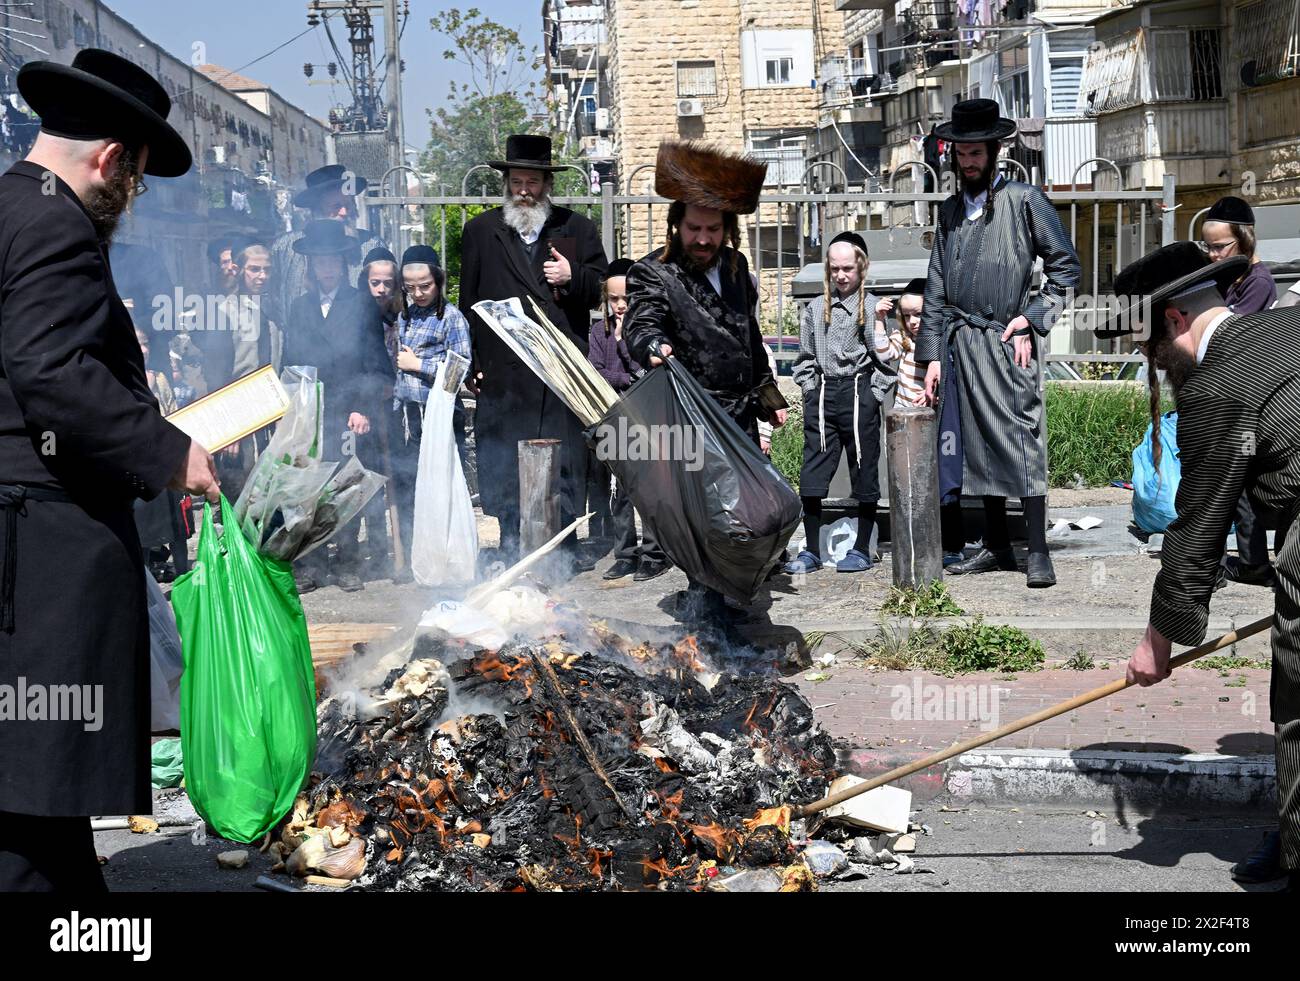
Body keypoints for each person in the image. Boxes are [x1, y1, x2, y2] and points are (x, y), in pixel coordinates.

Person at [0, 48, 220, 892]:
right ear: (111, 157)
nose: (131, 199)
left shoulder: (10, 206)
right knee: (32, 783)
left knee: (33, 791)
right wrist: (171, 452)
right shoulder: (55, 224)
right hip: (43, 547)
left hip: (23, 537)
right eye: (136, 177)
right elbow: (51, 374)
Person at [1106, 241, 1300, 893]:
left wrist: (1155, 643)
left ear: (1172, 321)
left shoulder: (1215, 387)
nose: (1151, 362)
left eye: (1148, 347)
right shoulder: (1287, 324)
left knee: (1297, 686)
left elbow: (1198, 530)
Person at [917, 99, 1082, 588]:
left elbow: (1067, 271)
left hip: (1008, 340)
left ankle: (1036, 550)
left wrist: (1032, 320)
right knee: (977, 444)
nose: (968, 162)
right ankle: (995, 545)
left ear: (993, 151)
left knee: (1020, 437)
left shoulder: (1025, 200)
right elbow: (935, 287)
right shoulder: (948, 212)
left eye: (976, 153)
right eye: (961, 153)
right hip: (960, 342)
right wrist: (930, 356)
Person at [622, 140, 785, 622]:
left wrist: (767, 392)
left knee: (750, 512)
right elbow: (641, 322)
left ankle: (733, 595)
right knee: (707, 518)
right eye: (694, 228)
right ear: (677, 224)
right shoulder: (652, 272)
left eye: (713, 229)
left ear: (726, 230)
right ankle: (711, 607)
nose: (702, 238)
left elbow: (747, 335)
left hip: (739, 415)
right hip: (693, 416)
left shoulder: (736, 268)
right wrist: (653, 344)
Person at [460, 135, 608, 566]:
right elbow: (469, 302)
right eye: (518, 181)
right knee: (506, 452)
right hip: (506, 368)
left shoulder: (576, 228)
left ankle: (562, 541)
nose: (525, 190)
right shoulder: (481, 231)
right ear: (506, 183)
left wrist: (572, 274)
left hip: (560, 365)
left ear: (547, 184)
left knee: (563, 455)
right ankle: (511, 540)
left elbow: (602, 289)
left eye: (534, 182)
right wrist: (475, 361)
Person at [284, 220, 389, 593]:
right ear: (311, 266)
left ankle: (347, 563)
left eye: (332, 260)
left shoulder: (360, 304)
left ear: (342, 264)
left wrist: (363, 408)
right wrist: (295, 408)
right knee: (310, 489)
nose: (325, 267)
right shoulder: (299, 307)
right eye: (319, 261)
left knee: (345, 489)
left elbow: (377, 363)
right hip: (312, 412)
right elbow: (290, 362)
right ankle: (312, 564)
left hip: (349, 412)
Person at [787, 231, 887, 575]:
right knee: (812, 470)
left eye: (848, 268)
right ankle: (811, 550)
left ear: (861, 268)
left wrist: (874, 393)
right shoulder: (816, 309)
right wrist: (810, 388)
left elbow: (885, 359)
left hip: (858, 392)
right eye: (834, 269)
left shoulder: (872, 307)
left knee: (863, 466)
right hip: (823, 392)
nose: (841, 275)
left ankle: (861, 549)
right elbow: (803, 357)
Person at [1202, 196, 1279, 589]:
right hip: (1229, 399)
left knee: (1224, 482)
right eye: (1208, 246)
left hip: (1247, 402)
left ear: (1244, 240)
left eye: (1220, 246)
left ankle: (1215, 564)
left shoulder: (1257, 281)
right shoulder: (1226, 277)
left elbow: (1228, 334)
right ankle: (1251, 563)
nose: (1213, 254)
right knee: (1236, 484)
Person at [390, 244, 472, 580]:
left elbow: (459, 371)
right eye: (410, 288)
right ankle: (419, 560)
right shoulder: (405, 315)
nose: (419, 293)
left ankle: (447, 562)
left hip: (438, 420)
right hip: (410, 418)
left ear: (438, 281)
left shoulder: (451, 318)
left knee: (440, 489)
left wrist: (417, 365)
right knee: (414, 491)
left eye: (425, 286)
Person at [589, 258, 670, 582]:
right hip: (615, 418)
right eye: (614, 299)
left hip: (649, 417)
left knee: (650, 488)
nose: (621, 306)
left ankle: (655, 553)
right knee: (620, 491)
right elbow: (596, 371)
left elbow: (648, 372)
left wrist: (625, 351)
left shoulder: (649, 333)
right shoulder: (598, 331)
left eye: (627, 299)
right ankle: (625, 553)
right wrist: (625, 376)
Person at [877, 277, 966, 565]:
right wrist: (879, 320)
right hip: (906, 423)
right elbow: (882, 353)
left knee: (944, 485)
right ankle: (916, 543)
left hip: (938, 423)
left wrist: (935, 397)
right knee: (909, 484)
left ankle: (952, 545)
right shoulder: (902, 340)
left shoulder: (944, 343)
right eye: (907, 315)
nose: (914, 321)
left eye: (920, 314)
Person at [270, 164, 387, 326]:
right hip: (300, 345)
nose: (344, 212)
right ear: (317, 210)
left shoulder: (372, 246)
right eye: (336, 206)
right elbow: (271, 297)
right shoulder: (284, 247)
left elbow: (389, 299)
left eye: (348, 204)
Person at [356, 246, 402, 577]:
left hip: (401, 409)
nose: (381, 289)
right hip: (368, 409)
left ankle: (403, 549)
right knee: (369, 479)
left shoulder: (404, 316)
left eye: (387, 282)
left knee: (399, 479)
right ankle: (375, 548)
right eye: (375, 282)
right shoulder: (356, 315)